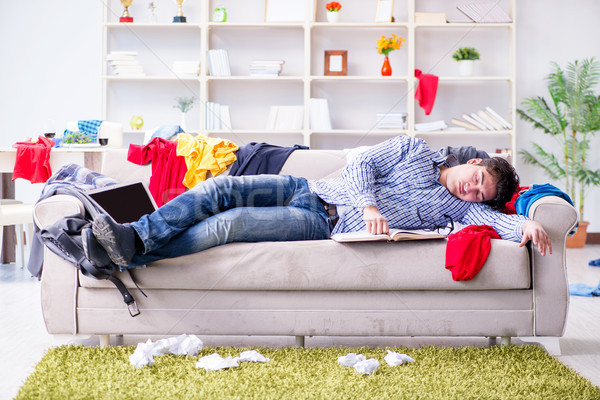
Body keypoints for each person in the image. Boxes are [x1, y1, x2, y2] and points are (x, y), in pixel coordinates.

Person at [84, 135, 551, 270]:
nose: (471, 191)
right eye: (476, 179)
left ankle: (123, 250)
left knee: (227, 226)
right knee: (215, 191)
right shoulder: (413, 148)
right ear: (475, 161)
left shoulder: (460, 210)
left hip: (318, 224)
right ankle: (132, 240)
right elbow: (361, 165)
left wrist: (525, 224)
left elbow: (498, 222)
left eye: (479, 194)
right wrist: (371, 205)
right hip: (310, 190)